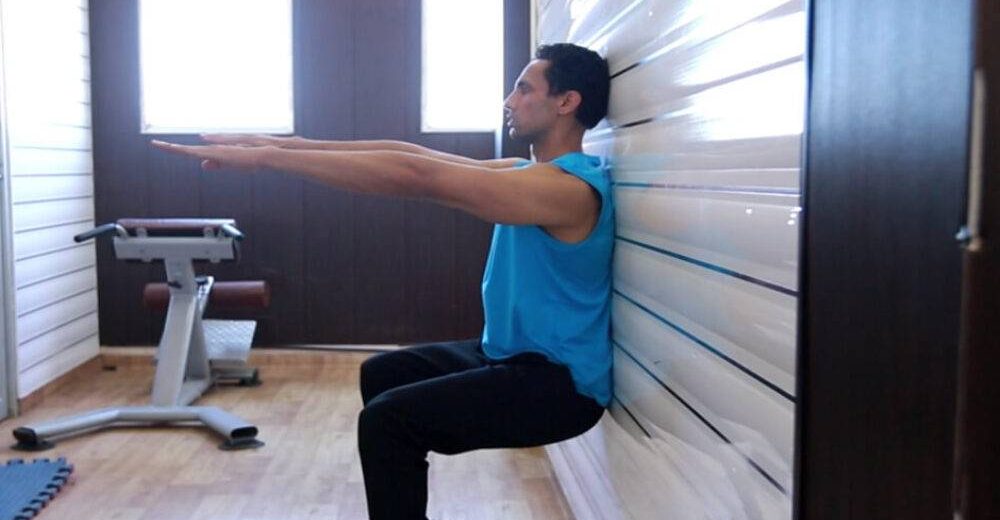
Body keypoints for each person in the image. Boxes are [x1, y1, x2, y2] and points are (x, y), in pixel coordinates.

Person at [153, 42, 612, 520]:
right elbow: (412, 154)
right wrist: (283, 145)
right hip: (509, 352)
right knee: (382, 374)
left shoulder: (567, 190)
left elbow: (417, 175)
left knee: (387, 423)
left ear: (566, 101)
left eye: (523, 89)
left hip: (560, 385)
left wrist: (269, 159)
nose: (509, 101)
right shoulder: (529, 173)